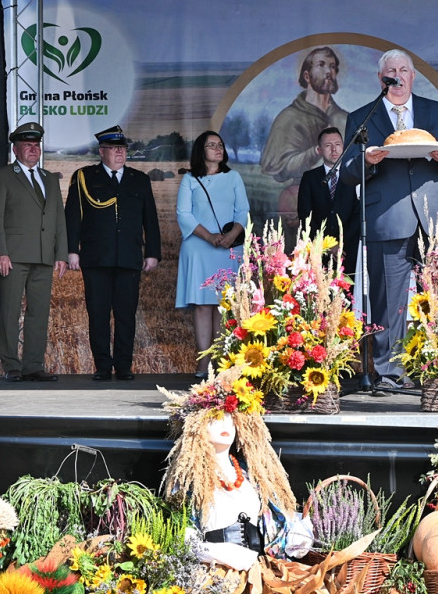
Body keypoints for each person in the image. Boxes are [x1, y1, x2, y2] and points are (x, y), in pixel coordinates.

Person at [339, 49, 438, 390]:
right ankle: (389, 373)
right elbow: (348, 171)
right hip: (387, 217)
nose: (397, 75)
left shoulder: (434, 111)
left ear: (412, 77)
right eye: (390, 71)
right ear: (381, 79)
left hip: (435, 218)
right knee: (388, 302)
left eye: (403, 70)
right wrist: (367, 160)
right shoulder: (362, 117)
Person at [162, 366, 303, 571]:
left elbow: (275, 521)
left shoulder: (251, 475)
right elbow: (184, 536)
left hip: (260, 572)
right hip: (215, 574)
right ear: (197, 427)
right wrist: (219, 554)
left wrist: (296, 532)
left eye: (230, 419)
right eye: (215, 419)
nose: (225, 426)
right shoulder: (189, 480)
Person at [66, 125, 162, 381]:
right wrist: (71, 251)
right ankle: (102, 366)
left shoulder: (139, 179)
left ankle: (123, 366)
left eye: (123, 149)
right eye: (114, 149)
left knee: (125, 314)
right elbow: (73, 217)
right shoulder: (85, 177)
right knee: (97, 314)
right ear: (102, 152)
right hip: (96, 258)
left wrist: (152, 252)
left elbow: (150, 219)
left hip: (129, 258)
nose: (120, 153)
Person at [0, 122, 67, 382]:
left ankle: (33, 365)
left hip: (44, 256)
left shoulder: (49, 178)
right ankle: (12, 365)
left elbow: (59, 218)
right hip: (13, 257)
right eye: (28, 145)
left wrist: (61, 255)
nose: (33, 149)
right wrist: (1, 252)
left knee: (39, 312)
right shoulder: (3, 175)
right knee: (10, 312)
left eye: (36, 145)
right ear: (16, 149)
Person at [176, 131, 249, 378]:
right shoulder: (190, 179)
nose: (218, 149)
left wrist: (231, 235)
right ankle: (203, 361)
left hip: (229, 248)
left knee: (223, 306)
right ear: (201, 150)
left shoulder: (234, 177)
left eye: (220, 144)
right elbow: (184, 214)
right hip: (198, 247)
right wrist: (209, 237)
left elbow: (243, 211)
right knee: (202, 305)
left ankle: (220, 361)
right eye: (212, 145)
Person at [260, 46, 349, 186]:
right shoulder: (288, 118)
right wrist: (315, 152)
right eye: (321, 65)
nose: (328, 71)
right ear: (307, 76)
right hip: (300, 193)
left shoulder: (345, 119)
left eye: (332, 66)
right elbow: (280, 168)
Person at [297, 127, 359, 277]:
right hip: (318, 251)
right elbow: (305, 214)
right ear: (319, 150)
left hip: (349, 251)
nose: (334, 149)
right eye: (327, 145)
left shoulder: (354, 175)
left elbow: (359, 215)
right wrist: (327, 244)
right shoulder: (309, 178)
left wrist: (341, 244)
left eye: (337, 144)